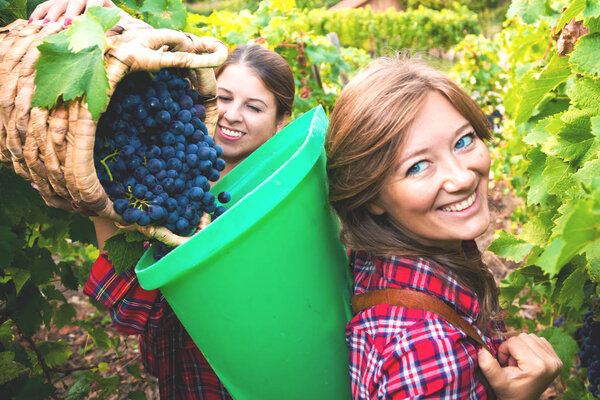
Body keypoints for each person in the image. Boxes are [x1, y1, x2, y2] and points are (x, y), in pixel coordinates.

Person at [31, 2, 295, 397]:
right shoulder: (157, 172)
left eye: (254, 107)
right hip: (191, 380)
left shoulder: (279, 198)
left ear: (281, 123)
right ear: (203, 97)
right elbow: (127, 304)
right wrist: (103, 16)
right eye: (223, 97)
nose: (231, 116)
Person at [325, 57, 563, 399]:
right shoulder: (426, 351)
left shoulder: (402, 250)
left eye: (463, 141)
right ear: (371, 195)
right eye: (418, 166)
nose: (463, 177)